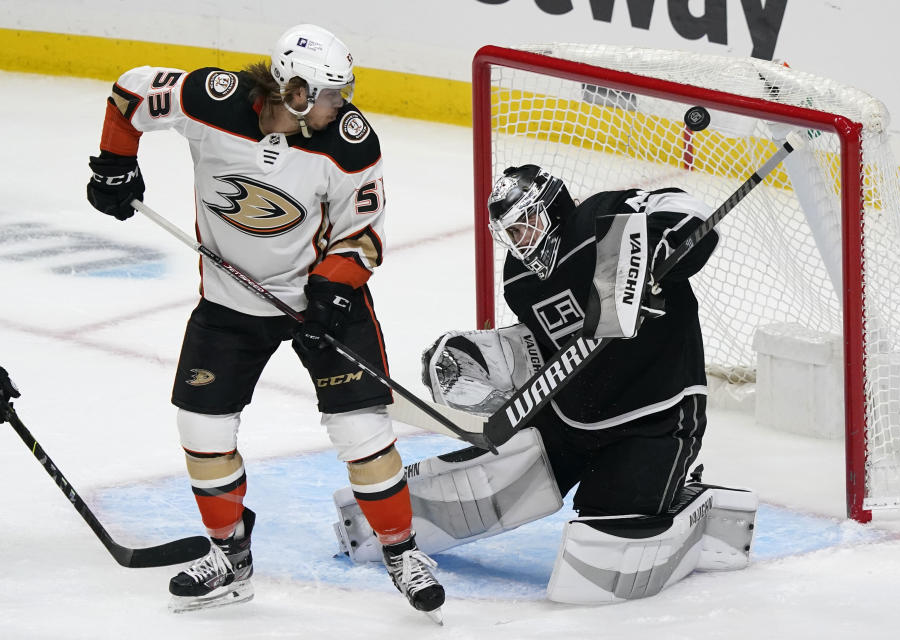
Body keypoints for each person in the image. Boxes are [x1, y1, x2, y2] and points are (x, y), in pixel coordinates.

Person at [85, 24, 444, 620]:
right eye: (334, 93)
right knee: (201, 429)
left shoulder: (349, 144)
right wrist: (115, 163)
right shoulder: (211, 101)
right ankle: (231, 558)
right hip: (230, 305)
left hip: (322, 303)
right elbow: (130, 92)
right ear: (297, 93)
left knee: (361, 431)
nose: (345, 104)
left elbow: (364, 234)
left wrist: (331, 290)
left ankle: (402, 552)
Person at [333, 165, 758, 604]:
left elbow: (687, 209)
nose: (520, 241)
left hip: (654, 416)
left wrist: (657, 244)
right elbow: (543, 345)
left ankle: (694, 503)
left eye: (525, 223)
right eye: (510, 233)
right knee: (491, 475)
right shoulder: (519, 280)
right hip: (569, 415)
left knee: (599, 558)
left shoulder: (601, 217)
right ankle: (388, 513)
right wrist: (492, 360)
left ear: (552, 205)